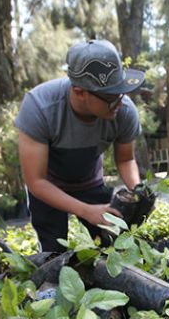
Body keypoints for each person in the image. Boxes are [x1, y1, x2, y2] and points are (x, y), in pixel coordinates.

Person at [15, 39, 145, 252]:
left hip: (89, 181)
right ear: (79, 92)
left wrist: (139, 192)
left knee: (112, 246)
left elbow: (126, 159)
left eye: (121, 92)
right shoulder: (40, 107)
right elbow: (36, 181)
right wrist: (86, 211)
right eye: (110, 97)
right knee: (52, 254)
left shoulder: (124, 111)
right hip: (48, 186)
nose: (119, 103)